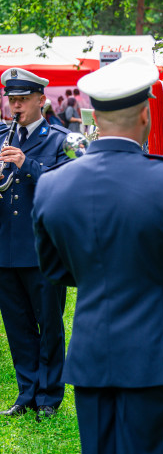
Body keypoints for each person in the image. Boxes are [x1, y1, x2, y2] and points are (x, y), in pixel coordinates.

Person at [32, 56, 163, 453]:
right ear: (145, 116)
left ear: (95, 119)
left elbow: (55, 269)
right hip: (155, 354)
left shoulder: (52, 184)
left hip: (90, 352)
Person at [0, 68, 69, 422]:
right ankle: (27, 391)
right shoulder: (1, 135)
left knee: (49, 324)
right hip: (5, 246)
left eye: (22, 100)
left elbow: (65, 188)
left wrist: (27, 165)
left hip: (42, 249)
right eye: (11, 100)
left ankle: (49, 394)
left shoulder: (58, 138)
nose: (15, 106)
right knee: (18, 326)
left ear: (41, 100)